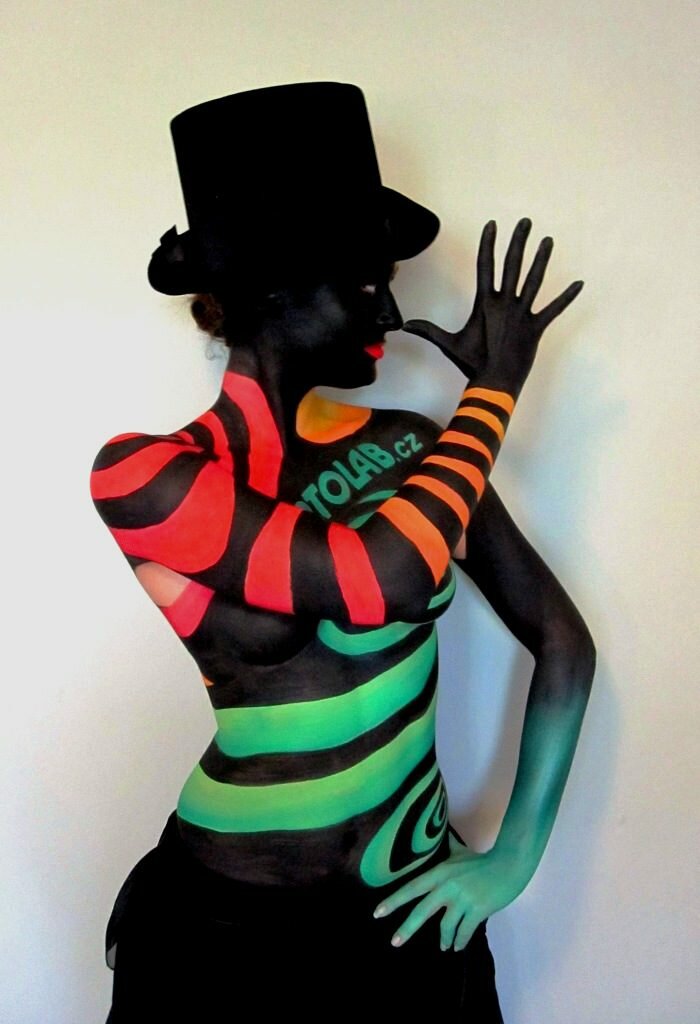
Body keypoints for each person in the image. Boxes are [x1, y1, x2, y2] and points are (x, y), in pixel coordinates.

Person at [91, 83, 595, 1020]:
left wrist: (515, 857)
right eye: (368, 284)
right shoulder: (146, 475)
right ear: (271, 287)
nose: (392, 313)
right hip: (224, 933)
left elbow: (563, 641)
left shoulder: (411, 447)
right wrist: (493, 393)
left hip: (411, 916)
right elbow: (378, 580)